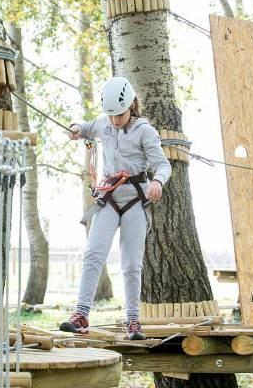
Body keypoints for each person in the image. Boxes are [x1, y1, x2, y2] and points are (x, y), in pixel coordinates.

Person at [59, 76, 172, 340]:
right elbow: (86, 128)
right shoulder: (104, 124)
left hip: (134, 199)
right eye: (109, 115)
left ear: (131, 105)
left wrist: (157, 181)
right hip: (108, 197)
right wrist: (76, 128)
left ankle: (133, 321)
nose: (113, 121)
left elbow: (163, 165)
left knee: (132, 264)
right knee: (93, 253)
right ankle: (81, 314)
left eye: (118, 115)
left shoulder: (145, 131)